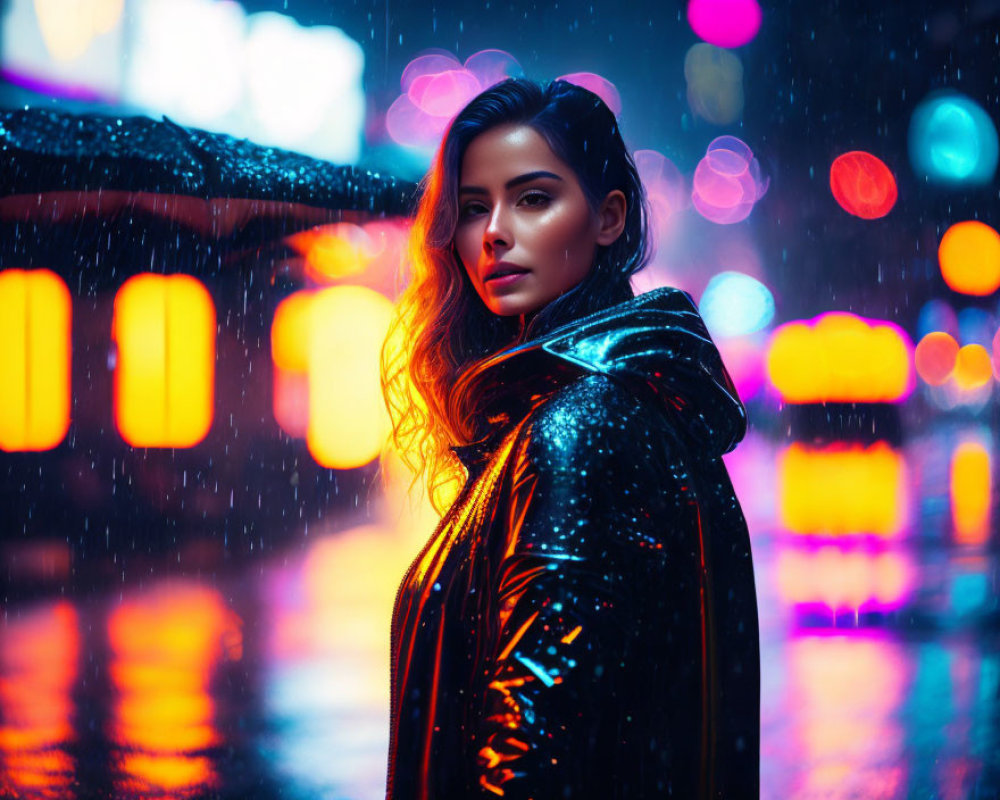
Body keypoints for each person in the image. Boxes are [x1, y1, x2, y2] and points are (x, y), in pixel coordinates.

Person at [380, 78, 759, 799]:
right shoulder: (618, 405)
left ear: (608, 217)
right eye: (471, 208)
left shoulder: (578, 429)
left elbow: (532, 751)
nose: (493, 231)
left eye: (531, 199)